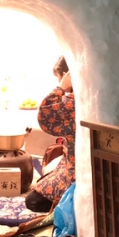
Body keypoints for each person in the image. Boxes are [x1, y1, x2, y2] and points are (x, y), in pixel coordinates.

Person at [25, 56, 75, 213]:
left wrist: (61, 87)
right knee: (45, 175)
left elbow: (45, 118)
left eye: (60, 78)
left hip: (77, 171)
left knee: (32, 201)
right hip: (71, 162)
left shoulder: (74, 101)